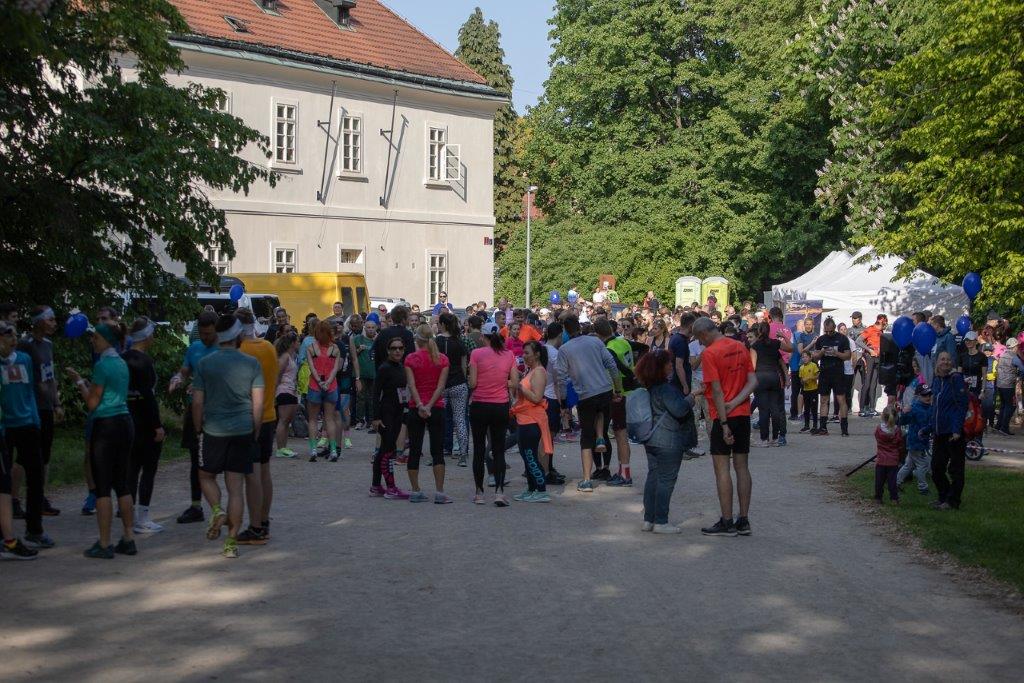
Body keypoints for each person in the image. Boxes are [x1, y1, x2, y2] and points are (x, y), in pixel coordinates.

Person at [191, 315, 264, 559]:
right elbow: (258, 403)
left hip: (213, 429)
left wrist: (197, 428)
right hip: (243, 429)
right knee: (236, 489)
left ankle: (216, 509)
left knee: (205, 476)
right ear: (238, 335)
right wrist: (255, 429)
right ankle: (231, 543)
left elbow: (197, 402)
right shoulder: (252, 363)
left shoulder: (205, 364)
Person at [66, 323, 137, 559]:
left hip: (105, 425)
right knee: (122, 483)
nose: (92, 341)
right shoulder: (121, 363)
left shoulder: (102, 365)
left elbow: (92, 403)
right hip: (125, 422)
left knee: (103, 486)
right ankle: (128, 538)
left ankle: (105, 543)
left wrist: (79, 382)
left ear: (107, 340)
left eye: (96, 337)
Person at [691, 317, 757, 537]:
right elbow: (753, 381)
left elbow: (718, 391)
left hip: (722, 415)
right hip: (743, 413)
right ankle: (744, 520)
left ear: (703, 335)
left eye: (699, 340)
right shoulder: (739, 346)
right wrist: (737, 402)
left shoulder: (710, 353)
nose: (700, 344)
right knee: (742, 467)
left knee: (722, 469)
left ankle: (727, 521)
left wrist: (724, 421)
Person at [0, 322, 53, 550]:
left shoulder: (24, 359)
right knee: (3, 481)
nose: (13, 339)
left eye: (14, 334)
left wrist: (35, 418)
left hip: (28, 423)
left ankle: (35, 529)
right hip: (5, 427)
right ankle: (4, 534)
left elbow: (31, 389)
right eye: (8, 335)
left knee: (35, 476)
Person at [554, 315, 622, 493]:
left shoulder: (565, 349)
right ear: (579, 326)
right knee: (603, 427)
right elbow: (611, 365)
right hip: (604, 389)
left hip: (585, 394)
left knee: (586, 437)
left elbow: (560, 377)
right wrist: (617, 389)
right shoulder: (596, 342)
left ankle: (586, 480)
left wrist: (563, 402)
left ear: (565, 330)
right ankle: (603, 455)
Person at [635, 349, 699, 534]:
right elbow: (679, 409)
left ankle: (649, 519)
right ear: (661, 367)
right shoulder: (666, 389)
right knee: (666, 480)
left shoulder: (649, 388)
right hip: (669, 439)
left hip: (651, 438)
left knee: (653, 477)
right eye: (668, 363)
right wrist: (692, 397)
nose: (671, 365)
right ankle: (661, 521)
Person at [169, 310, 219, 524]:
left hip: (217, 411)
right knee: (195, 460)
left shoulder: (225, 350)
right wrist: (178, 379)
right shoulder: (195, 348)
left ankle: (221, 508)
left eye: (209, 334)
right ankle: (196, 506)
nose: (206, 338)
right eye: (203, 333)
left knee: (219, 461)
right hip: (195, 409)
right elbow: (184, 371)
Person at [236, 308, 278, 544]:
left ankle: (255, 527)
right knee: (265, 471)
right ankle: (264, 521)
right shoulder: (269, 347)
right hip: (269, 415)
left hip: (250, 418)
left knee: (251, 475)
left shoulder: (242, 350)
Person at [16, 306, 62, 516]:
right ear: (39, 322)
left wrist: (56, 403)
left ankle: (39, 496)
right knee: (25, 456)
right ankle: (14, 499)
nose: (54, 323)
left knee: (45, 454)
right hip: (30, 406)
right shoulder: (25, 345)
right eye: (50, 320)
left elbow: (50, 376)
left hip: (45, 406)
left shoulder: (48, 345)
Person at [121, 318, 165, 533]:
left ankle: (128, 518)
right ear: (147, 336)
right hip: (144, 423)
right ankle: (143, 517)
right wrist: (157, 425)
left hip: (126, 419)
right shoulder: (144, 362)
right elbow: (148, 396)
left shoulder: (122, 358)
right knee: (148, 469)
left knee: (131, 470)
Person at [469, 322, 518, 505]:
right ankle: (499, 492)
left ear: (483, 337)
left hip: (480, 405)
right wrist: (500, 382)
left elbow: (473, 383)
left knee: (479, 449)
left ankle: (479, 493)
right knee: (498, 450)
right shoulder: (509, 354)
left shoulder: (476, 354)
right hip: (500, 406)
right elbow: (514, 382)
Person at [403, 324, 452, 504]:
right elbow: (441, 386)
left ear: (417, 338)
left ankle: (416, 490)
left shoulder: (410, 359)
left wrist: (420, 405)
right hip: (436, 406)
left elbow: (411, 385)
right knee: (437, 451)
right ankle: (439, 491)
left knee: (414, 449)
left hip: (416, 407)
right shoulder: (442, 359)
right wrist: (430, 405)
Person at [923, 351, 968, 510]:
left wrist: (957, 429)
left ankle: (953, 501)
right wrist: (928, 428)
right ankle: (944, 496)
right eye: (942, 359)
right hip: (939, 431)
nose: (945, 362)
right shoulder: (936, 381)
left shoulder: (956, 379)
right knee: (936, 468)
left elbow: (962, 405)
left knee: (955, 469)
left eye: (948, 359)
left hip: (953, 433)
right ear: (937, 362)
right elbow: (935, 407)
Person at [510, 341, 553, 503]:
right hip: (523, 420)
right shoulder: (531, 371)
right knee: (526, 456)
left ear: (537, 354)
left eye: (527, 353)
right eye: (523, 353)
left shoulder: (539, 372)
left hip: (532, 421)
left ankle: (541, 490)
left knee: (530, 456)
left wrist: (520, 387)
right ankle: (531, 488)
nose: (524, 356)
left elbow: (537, 397)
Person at [369, 337, 410, 500]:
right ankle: (391, 487)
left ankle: (376, 485)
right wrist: (376, 417)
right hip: (386, 413)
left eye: (400, 348)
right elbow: (375, 393)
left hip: (398, 412)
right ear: (388, 351)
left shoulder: (401, 366)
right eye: (394, 348)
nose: (397, 351)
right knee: (388, 450)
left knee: (384, 450)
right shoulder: (384, 368)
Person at [596, 318, 634, 485]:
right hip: (629, 391)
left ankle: (625, 474)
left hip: (618, 394)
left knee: (620, 434)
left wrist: (616, 391)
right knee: (621, 434)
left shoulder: (608, 349)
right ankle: (622, 470)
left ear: (598, 334)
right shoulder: (622, 341)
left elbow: (615, 372)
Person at [436, 313, 469, 467]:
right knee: (460, 419)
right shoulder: (459, 342)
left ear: (443, 324)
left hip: (441, 384)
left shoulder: (437, 341)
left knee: (439, 420)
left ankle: (439, 451)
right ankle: (463, 454)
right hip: (458, 383)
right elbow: (464, 366)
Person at [306, 321, 342, 462]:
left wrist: (319, 382)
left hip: (315, 386)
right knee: (330, 419)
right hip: (331, 386)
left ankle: (313, 449)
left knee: (313, 419)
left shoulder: (311, 348)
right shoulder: (335, 349)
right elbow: (335, 369)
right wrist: (327, 382)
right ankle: (333, 450)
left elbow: (312, 367)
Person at [749, 322, 789, 447]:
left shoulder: (755, 345)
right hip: (774, 376)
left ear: (759, 332)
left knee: (763, 410)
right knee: (775, 408)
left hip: (761, 377)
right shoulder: (775, 343)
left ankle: (764, 439)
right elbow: (790, 349)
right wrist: (784, 337)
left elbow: (753, 366)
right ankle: (775, 438)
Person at [812, 317, 852, 436]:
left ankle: (844, 429)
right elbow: (815, 357)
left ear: (834, 327)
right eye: (826, 331)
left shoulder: (842, 338)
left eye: (831, 331)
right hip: (825, 372)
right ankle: (823, 427)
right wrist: (822, 352)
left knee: (841, 400)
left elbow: (848, 356)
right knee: (824, 400)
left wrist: (836, 353)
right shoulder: (821, 339)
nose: (829, 333)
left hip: (838, 372)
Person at [542, 322, 567, 484]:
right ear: (559, 336)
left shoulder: (541, 349)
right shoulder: (555, 354)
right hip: (551, 397)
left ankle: (547, 468)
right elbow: (560, 379)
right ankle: (546, 470)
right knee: (548, 437)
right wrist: (563, 402)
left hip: (541, 395)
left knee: (545, 437)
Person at [897, 384, 933, 495]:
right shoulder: (915, 408)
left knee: (909, 465)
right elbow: (903, 421)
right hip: (916, 442)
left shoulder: (930, 408)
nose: (928, 397)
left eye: (929, 394)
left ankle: (896, 482)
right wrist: (904, 413)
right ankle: (923, 487)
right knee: (922, 465)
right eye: (924, 395)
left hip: (921, 441)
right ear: (918, 396)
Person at [273, 333, 300, 458]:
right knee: (283, 420)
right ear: (292, 343)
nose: (299, 343)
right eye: (297, 341)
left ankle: (284, 446)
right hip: (284, 390)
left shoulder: (291, 356)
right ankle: (280, 448)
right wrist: (274, 391)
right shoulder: (285, 357)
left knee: (287, 420)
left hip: (291, 390)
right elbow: (277, 375)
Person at [873, 406, 904, 504]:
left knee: (879, 480)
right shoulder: (897, 430)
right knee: (892, 480)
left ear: (882, 416)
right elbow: (900, 445)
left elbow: (877, 438)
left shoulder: (879, 429)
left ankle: (878, 497)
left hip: (881, 458)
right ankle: (894, 498)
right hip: (893, 459)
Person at [857, 314, 888, 416]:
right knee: (867, 383)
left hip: (877, 359)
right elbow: (858, 341)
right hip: (869, 358)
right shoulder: (870, 329)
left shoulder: (881, 332)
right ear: (881, 321)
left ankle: (872, 408)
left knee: (874, 383)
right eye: (885, 323)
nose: (886, 325)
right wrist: (869, 350)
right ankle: (862, 409)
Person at [350, 319, 377, 430]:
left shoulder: (378, 340)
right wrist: (358, 350)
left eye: (373, 327)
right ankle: (360, 420)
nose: (370, 330)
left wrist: (377, 342)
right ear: (364, 328)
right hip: (361, 373)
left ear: (376, 328)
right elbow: (352, 356)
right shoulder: (357, 339)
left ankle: (371, 421)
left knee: (372, 398)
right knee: (360, 397)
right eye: (368, 327)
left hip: (374, 373)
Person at [993, 337, 1023, 435]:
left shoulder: (1002, 355)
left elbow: (997, 367)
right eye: (1017, 346)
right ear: (1014, 347)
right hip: (1009, 385)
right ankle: (1004, 428)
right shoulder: (1014, 357)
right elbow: (1022, 369)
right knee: (1011, 406)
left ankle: (998, 426)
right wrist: (1019, 377)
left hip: (1000, 384)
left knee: (1003, 405)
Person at [790, 318, 816, 421]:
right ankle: (797, 413)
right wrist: (812, 344)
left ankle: (809, 412)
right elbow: (801, 351)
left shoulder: (816, 335)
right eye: (807, 324)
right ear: (804, 325)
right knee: (800, 391)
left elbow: (817, 351)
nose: (808, 326)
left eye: (810, 324)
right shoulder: (800, 336)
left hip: (813, 366)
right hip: (802, 366)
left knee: (811, 390)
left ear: (813, 325)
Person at [958, 330, 986, 397]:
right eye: (966, 340)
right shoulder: (962, 356)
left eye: (971, 340)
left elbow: (984, 375)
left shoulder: (982, 356)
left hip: (977, 389)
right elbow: (959, 374)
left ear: (976, 342)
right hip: (964, 388)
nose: (968, 342)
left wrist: (982, 391)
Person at [798, 351, 820, 433]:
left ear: (810, 358)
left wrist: (810, 378)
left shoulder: (813, 365)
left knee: (814, 408)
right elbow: (801, 379)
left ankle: (815, 426)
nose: (804, 359)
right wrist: (803, 382)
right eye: (803, 357)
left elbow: (817, 375)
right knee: (806, 408)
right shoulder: (801, 368)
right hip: (805, 390)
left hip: (813, 390)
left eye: (806, 357)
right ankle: (806, 425)